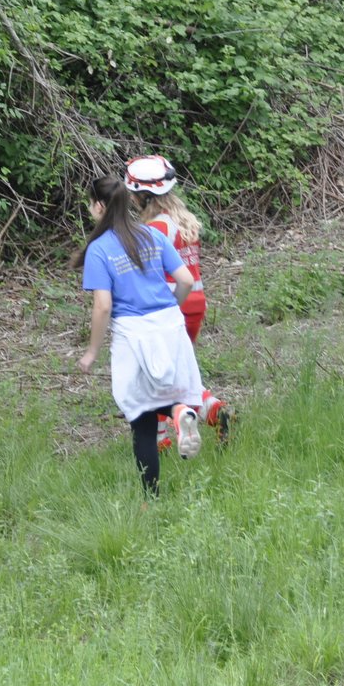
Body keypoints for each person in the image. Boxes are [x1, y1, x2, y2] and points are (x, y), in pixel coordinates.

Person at [75, 176, 205, 495]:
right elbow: (185, 280)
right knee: (163, 398)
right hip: (169, 326)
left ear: (100, 206)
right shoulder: (151, 234)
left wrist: (92, 351)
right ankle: (179, 412)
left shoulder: (99, 249)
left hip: (134, 335)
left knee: (140, 415)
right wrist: (169, 312)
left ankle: (151, 499)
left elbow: (103, 306)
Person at [123, 155, 232, 448]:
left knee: (154, 378)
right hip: (196, 302)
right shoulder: (185, 221)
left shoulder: (154, 230)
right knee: (177, 374)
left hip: (174, 305)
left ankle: (161, 444)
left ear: (143, 197)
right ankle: (215, 411)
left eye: (133, 195)